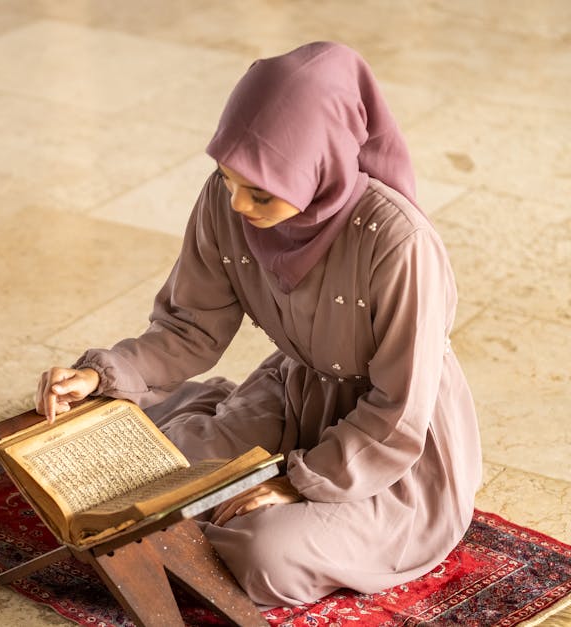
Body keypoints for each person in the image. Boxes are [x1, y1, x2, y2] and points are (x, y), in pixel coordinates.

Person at [35, 41, 482, 607]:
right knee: (138, 489)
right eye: (227, 178)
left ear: (320, 168)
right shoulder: (226, 203)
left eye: (260, 191)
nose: (238, 203)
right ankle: (211, 445)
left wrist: (294, 484)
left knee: (264, 555)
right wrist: (104, 374)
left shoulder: (397, 243)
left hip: (393, 445)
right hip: (293, 393)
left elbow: (399, 410)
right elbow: (189, 328)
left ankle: (258, 491)